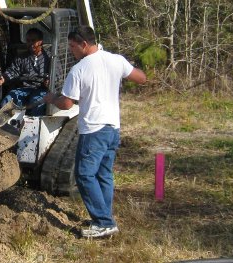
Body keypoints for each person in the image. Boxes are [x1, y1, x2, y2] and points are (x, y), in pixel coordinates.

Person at [43, 26, 147, 238]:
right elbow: (141, 78)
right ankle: (105, 217)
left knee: (84, 174)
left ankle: (104, 222)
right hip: (112, 128)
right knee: (104, 174)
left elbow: (66, 103)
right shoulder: (116, 60)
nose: (72, 51)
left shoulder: (79, 69)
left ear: (83, 44)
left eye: (72, 46)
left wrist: (51, 97)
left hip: (93, 129)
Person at [0, 28, 50, 116]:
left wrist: (49, 82)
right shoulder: (21, 58)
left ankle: (33, 126)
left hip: (41, 90)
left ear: (41, 42)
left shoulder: (49, 57)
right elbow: (13, 71)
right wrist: (4, 78)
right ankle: (4, 126)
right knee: (7, 100)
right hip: (24, 89)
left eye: (33, 41)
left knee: (36, 102)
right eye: (28, 41)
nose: (30, 43)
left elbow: (57, 76)